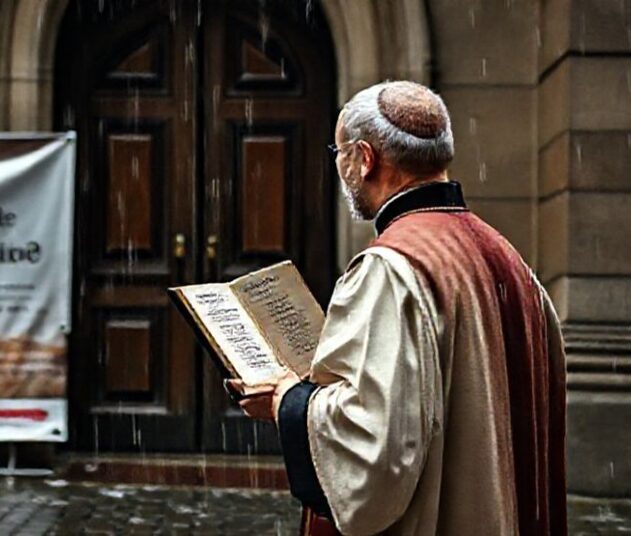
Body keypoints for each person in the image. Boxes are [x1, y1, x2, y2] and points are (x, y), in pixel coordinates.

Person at [226, 81, 567, 535]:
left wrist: (287, 400)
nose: (340, 165)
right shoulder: (508, 258)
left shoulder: (390, 268)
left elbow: (377, 449)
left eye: (340, 151)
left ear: (365, 159)